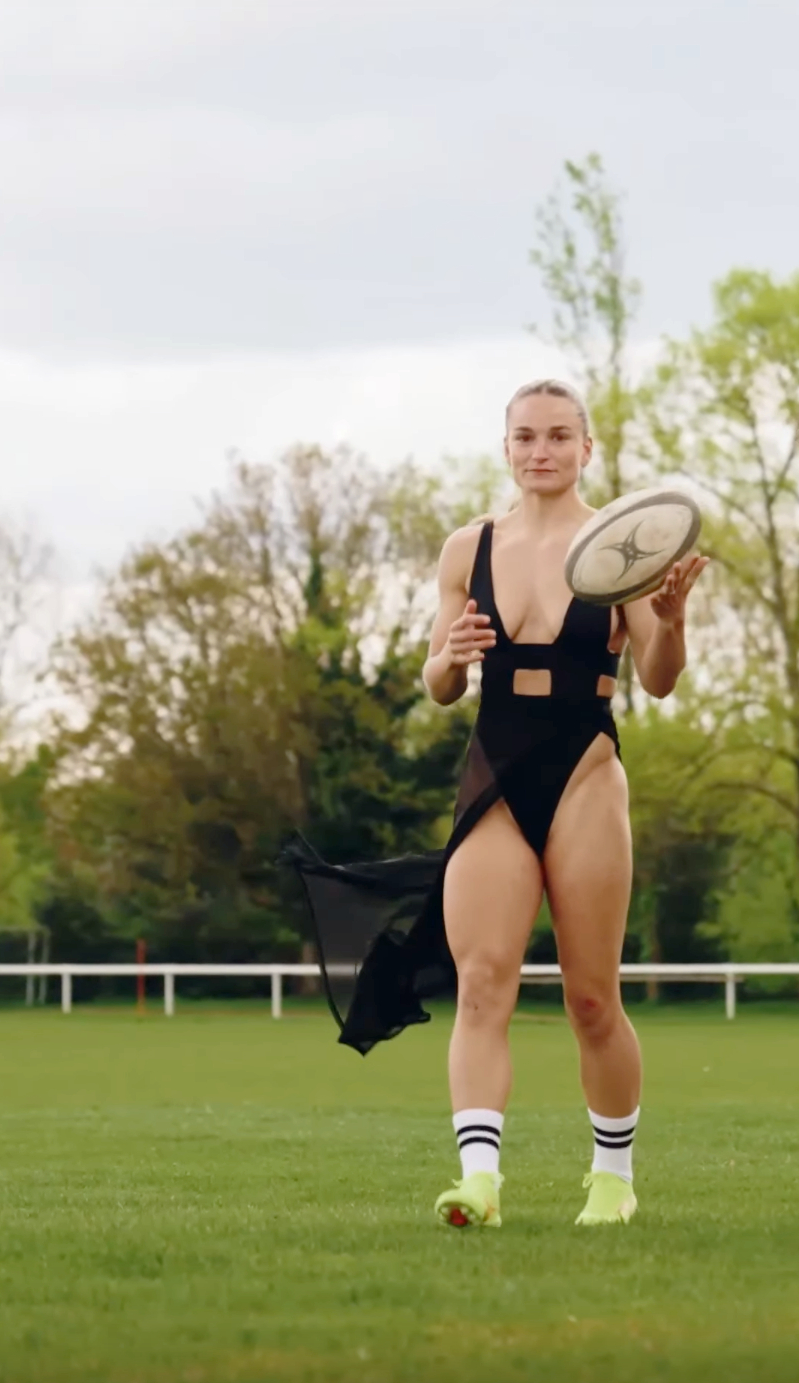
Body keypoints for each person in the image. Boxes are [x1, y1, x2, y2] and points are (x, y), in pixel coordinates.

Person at [282, 379, 707, 1232]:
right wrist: (450, 656)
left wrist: (671, 618)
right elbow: (439, 684)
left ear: (586, 448)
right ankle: (479, 1181)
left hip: (586, 771)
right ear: (506, 448)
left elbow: (659, 679)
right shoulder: (467, 547)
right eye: (525, 437)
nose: (541, 451)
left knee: (592, 998)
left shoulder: (622, 542)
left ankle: (612, 1180)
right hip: (495, 774)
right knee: (481, 984)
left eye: (558, 436)